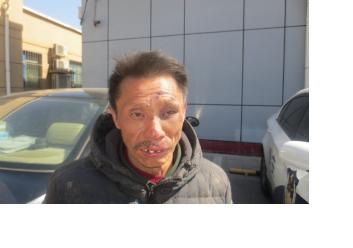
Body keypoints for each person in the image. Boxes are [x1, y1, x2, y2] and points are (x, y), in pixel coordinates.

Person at [45, 51, 232, 203]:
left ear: (183, 112)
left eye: (168, 112)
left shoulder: (215, 184)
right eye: (137, 114)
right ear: (115, 117)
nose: (155, 132)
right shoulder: (68, 186)